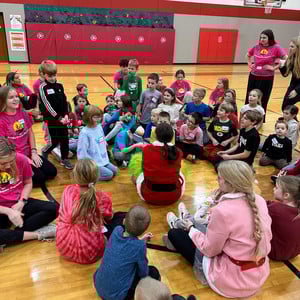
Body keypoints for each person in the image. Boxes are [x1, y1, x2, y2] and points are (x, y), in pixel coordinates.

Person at [166, 160, 272, 298]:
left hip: (231, 279)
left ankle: (183, 222)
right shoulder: (259, 200)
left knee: (175, 234)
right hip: (257, 275)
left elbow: (209, 250)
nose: (217, 179)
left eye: (220, 177)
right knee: (200, 224)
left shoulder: (222, 211)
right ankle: (185, 219)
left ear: (230, 183)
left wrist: (191, 229)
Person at [56, 159, 117, 264]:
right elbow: (109, 217)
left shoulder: (68, 190)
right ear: (97, 177)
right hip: (89, 252)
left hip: (63, 244)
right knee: (117, 221)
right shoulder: (102, 198)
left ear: (75, 176)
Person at [94, 205, 161, 300]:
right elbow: (143, 273)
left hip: (98, 283)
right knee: (154, 272)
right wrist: (141, 244)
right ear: (143, 231)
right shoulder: (139, 247)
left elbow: (126, 245)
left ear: (124, 221)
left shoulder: (117, 230)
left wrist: (141, 241)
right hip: (117, 296)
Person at [0, 137, 58, 246]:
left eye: (11, 161)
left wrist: (22, 202)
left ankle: (10, 236)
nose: (8, 166)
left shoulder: (21, 159)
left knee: (54, 208)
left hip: (18, 204)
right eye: (3, 163)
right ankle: (37, 234)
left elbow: (28, 183)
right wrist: (9, 211)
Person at [0, 86, 57, 186]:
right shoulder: (1, 120)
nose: (16, 99)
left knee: (52, 172)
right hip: (15, 158)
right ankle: (15, 175)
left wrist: (34, 152)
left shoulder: (23, 113)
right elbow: (5, 149)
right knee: (40, 179)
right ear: (3, 101)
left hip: (29, 153)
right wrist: (26, 160)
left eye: (16, 96)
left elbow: (30, 133)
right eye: (11, 97)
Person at [130, 123, 185, 205]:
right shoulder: (178, 152)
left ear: (156, 135)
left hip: (149, 196)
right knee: (180, 174)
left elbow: (143, 170)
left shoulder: (147, 149)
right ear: (172, 136)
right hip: (174, 196)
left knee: (135, 177)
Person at [245, 29, 287, 121]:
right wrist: (250, 64)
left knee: (263, 99)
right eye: (260, 37)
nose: (261, 39)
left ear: (270, 38)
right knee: (250, 97)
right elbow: (248, 55)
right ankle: (247, 118)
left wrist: (274, 68)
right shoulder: (257, 46)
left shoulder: (276, 47)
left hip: (266, 78)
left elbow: (285, 59)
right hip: (253, 76)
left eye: (264, 37)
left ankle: (259, 120)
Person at [39, 60, 73, 170]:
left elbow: (64, 101)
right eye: (50, 76)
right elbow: (48, 106)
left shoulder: (59, 86)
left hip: (63, 119)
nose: (53, 78)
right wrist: (59, 118)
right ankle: (45, 151)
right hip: (52, 120)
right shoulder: (43, 88)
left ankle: (64, 158)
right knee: (54, 141)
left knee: (65, 139)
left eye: (54, 75)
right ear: (44, 75)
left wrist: (66, 115)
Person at [77, 105, 118, 181]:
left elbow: (101, 138)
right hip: (92, 162)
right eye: (96, 117)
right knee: (109, 175)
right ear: (88, 118)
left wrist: (104, 143)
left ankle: (96, 171)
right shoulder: (85, 133)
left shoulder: (99, 126)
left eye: (99, 117)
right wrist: (87, 166)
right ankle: (87, 175)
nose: (99, 119)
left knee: (115, 171)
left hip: (101, 158)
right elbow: (82, 151)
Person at [267, 176, 300, 261]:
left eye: (276, 188)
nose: (274, 189)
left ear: (286, 195)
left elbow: (259, 209)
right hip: (294, 253)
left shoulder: (276, 209)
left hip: (275, 253)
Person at [279, 36, 300, 110]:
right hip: (294, 84)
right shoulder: (292, 57)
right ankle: (293, 121)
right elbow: (285, 74)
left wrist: (297, 91)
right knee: (286, 107)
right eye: (289, 46)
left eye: (292, 46)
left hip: (298, 87)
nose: (289, 48)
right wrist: (281, 66)